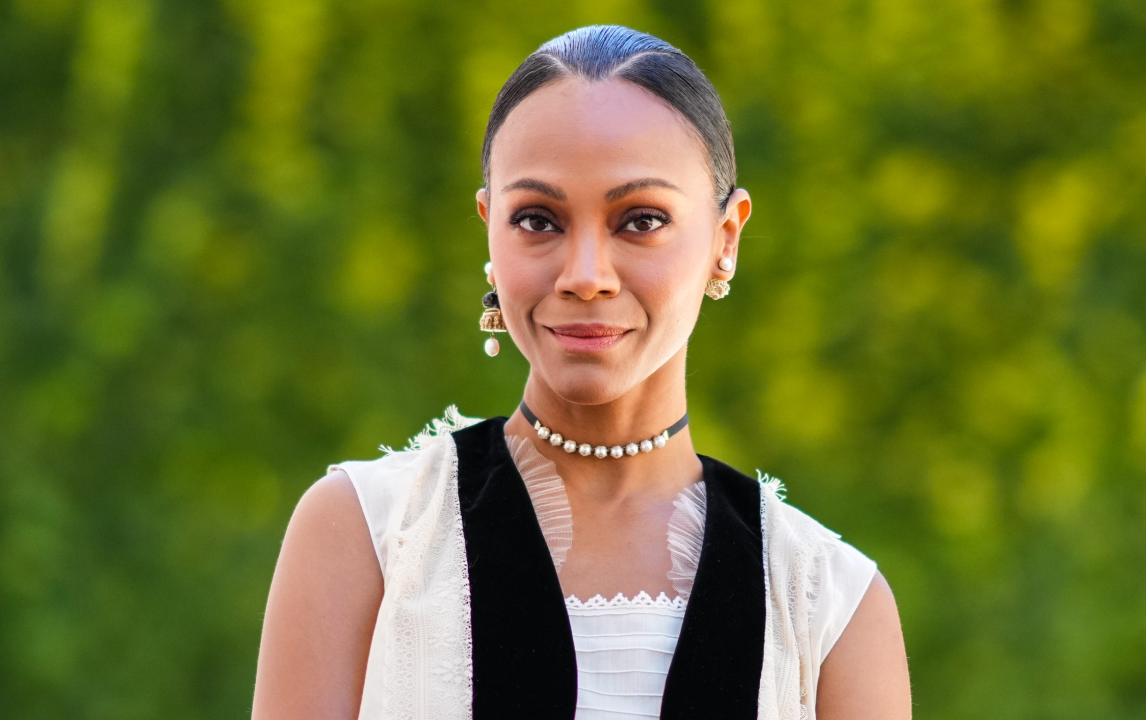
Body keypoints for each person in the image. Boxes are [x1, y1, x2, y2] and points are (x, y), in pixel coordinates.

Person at [251, 24, 911, 720]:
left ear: (726, 238)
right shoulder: (369, 536)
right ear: (489, 227)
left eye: (640, 220)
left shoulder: (827, 604)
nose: (586, 275)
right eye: (538, 220)